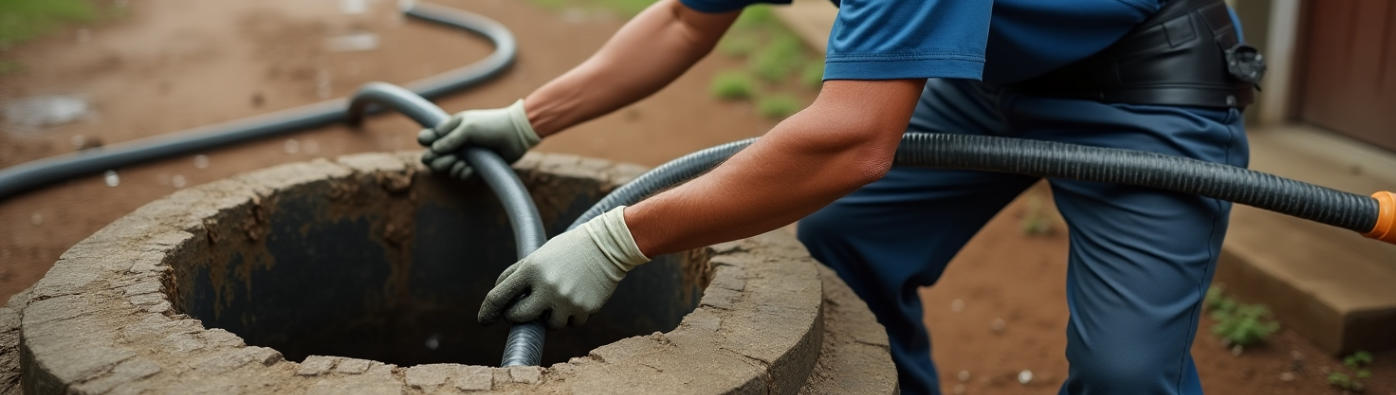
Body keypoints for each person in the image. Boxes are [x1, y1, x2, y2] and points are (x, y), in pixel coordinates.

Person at [417, 0, 1261, 393]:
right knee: (846, 245)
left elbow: (854, 139)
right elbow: (684, 19)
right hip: (982, 73)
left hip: (1141, 84)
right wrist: (526, 119)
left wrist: (617, 240)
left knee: (1125, 374)